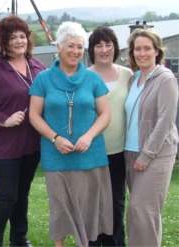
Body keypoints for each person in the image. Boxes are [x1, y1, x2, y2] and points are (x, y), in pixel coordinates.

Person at [29, 21, 113, 247]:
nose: (76, 51)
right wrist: (55, 138)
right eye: (70, 46)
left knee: (88, 210)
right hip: (56, 155)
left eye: (79, 47)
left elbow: (105, 114)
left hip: (90, 154)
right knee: (60, 209)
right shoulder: (43, 79)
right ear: (58, 46)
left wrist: (88, 136)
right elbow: (34, 115)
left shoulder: (93, 79)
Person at [0, 15, 46, 247]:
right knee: (7, 195)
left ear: (28, 39)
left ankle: (19, 237)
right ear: (4, 42)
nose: (18, 41)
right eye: (12, 37)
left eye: (22, 36)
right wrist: (4, 120)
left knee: (22, 193)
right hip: (5, 144)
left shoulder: (38, 68)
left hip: (32, 142)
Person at [124, 28, 178, 246]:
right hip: (131, 153)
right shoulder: (133, 79)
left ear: (157, 51)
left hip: (155, 154)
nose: (142, 53)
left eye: (147, 48)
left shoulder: (165, 79)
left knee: (142, 210)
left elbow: (166, 120)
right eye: (138, 48)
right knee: (140, 215)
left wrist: (146, 155)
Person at [87, 26, 132, 246]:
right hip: (90, 152)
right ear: (91, 49)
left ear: (115, 47)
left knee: (115, 205)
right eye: (98, 45)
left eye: (108, 44)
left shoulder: (128, 75)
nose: (104, 49)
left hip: (119, 152)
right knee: (93, 206)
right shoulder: (83, 76)